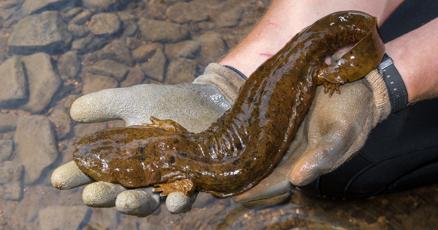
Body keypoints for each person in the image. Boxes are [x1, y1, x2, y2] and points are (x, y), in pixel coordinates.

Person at [51, 0, 438, 216]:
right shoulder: (172, 147)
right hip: (290, 77)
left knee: (349, 174)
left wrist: (386, 83)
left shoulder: (177, 169)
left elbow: (182, 174)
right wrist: (235, 75)